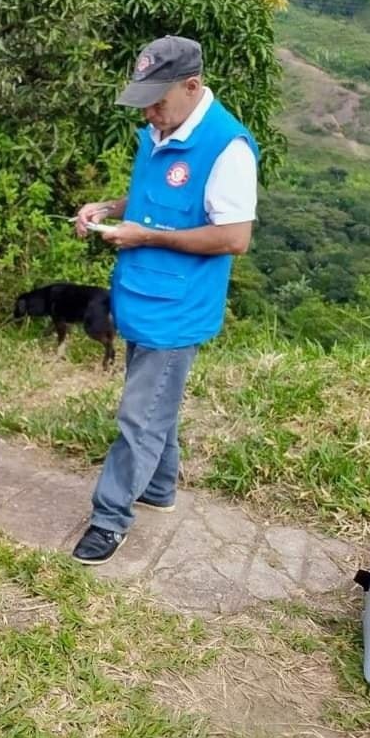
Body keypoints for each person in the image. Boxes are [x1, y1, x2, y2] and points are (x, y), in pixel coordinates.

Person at [71, 36, 259, 565]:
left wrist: (147, 237)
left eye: (158, 101)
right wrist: (107, 207)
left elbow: (234, 237)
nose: (151, 112)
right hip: (140, 294)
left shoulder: (228, 148)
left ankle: (109, 519)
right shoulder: (160, 132)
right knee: (157, 407)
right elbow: (153, 198)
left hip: (177, 307)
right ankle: (159, 489)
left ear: (192, 86)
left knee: (140, 417)